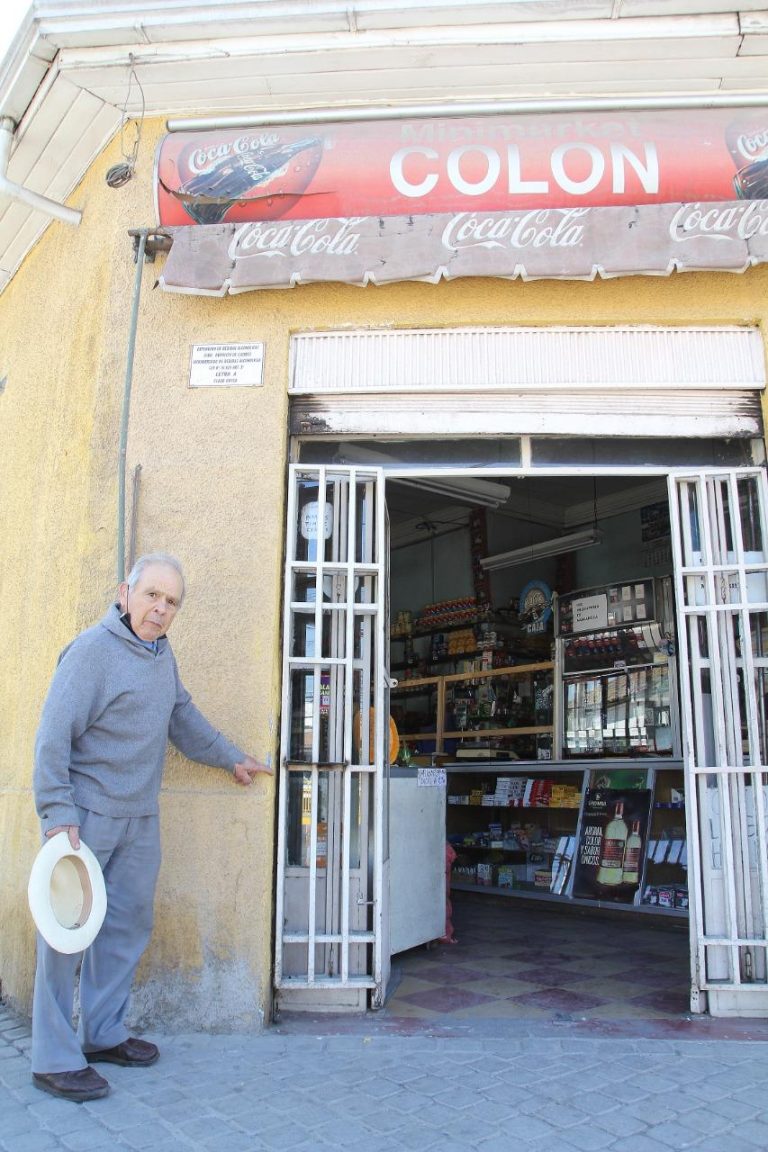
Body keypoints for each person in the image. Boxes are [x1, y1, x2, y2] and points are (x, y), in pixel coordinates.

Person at [30, 552, 272, 1102]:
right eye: (152, 596)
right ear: (125, 593)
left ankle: (104, 1033)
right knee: (64, 937)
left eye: (172, 602)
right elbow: (51, 737)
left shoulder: (161, 655)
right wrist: (56, 815)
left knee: (125, 927)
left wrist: (231, 757)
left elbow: (180, 716)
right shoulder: (91, 653)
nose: (161, 610)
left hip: (140, 817)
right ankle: (52, 1057)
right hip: (84, 819)